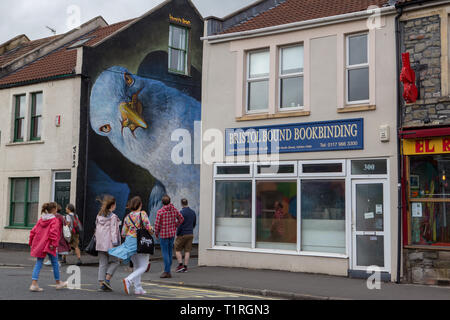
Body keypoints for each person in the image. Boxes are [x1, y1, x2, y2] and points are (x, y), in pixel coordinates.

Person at [109, 196, 153, 295]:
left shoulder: (127, 217)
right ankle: (129, 279)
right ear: (140, 204)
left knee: (137, 266)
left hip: (130, 242)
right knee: (144, 266)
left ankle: (138, 288)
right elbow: (148, 227)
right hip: (141, 242)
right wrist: (152, 231)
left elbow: (123, 232)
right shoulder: (143, 214)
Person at [29, 202, 68, 292]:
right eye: (56, 208)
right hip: (49, 245)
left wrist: (31, 242)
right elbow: (53, 233)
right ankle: (58, 283)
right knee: (55, 263)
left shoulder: (41, 220)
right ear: (54, 210)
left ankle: (34, 283)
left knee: (39, 263)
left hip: (40, 244)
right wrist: (53, 244)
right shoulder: (54, 220)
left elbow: (33, 231)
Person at [95, 195, 121, 292]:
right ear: (113, 205)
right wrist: (116, 244)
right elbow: (113, 231)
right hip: (110, 244)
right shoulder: (113, 217)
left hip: (100, 244)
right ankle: (107, 279)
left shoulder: (99, 215)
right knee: (116, 261)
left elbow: (96, 228)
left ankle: (102, 285)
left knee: (102, 264)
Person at [154, 195, 184, 278]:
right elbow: (181, 219)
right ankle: (168, 269)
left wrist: (156, 233)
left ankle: (167, 271)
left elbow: (157, 225)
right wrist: (175, 225)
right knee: (170, 252)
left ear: (162, 202)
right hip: (172, 234)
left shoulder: (160, 212)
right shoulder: (174, 210)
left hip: (163, 235)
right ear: (170, 201)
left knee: (165, 253)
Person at [175, 198, 196, 273]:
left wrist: (177, 234)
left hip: (182, 234)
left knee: (177, 250)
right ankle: (185, 267)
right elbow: (194, 223)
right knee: (187, 251)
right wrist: (190, 229)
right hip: (190, 233)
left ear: (181, 204)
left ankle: (180, 265)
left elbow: (180, 225)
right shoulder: (193, 212)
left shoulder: (181, 213)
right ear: (187, 203)